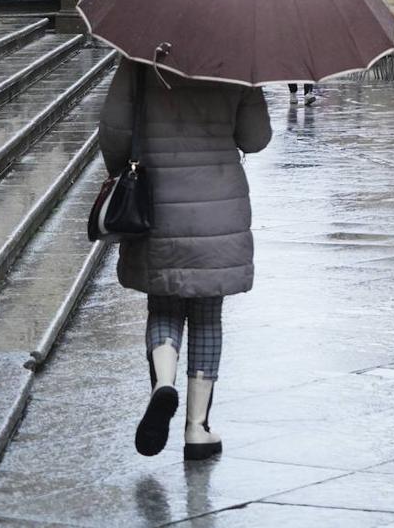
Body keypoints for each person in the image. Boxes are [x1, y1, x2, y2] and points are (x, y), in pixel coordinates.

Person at [99, 59, 272, 461]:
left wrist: (123, 174)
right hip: (219, 205)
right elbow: (255, 138)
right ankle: (198, 428)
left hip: (158, 201)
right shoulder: (239, 57)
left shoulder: (140, 59)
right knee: (208, 315)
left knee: (163, 305)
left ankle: (163, 383)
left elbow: (114, 130)